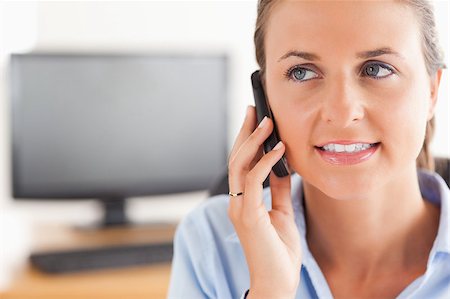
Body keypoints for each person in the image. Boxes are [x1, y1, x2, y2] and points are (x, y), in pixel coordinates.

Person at [168, 0, 449, 298]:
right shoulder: (210, 244)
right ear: (265, 98)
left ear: (431, 91)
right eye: (302, 72)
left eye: (377, 69)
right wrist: (269, 289)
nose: (341, 112)